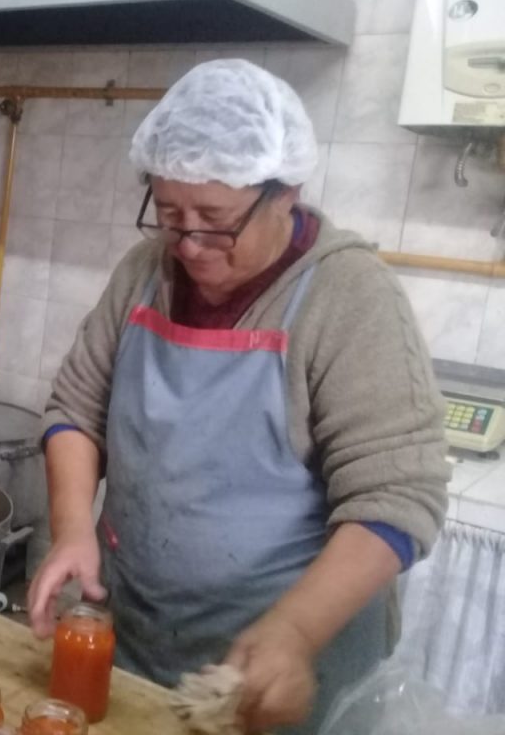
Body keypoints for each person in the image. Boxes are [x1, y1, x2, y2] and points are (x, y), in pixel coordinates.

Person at [27, 59, 449, 734]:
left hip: (280, 674)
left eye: (216, 220)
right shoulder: (144, 273)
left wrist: (296, 632)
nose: (191, 244)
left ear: (285, 195)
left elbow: (397, 498)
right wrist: (73, 526)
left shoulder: (349, 296)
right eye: (170, 216)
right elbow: (76, 409)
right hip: (142, 641)